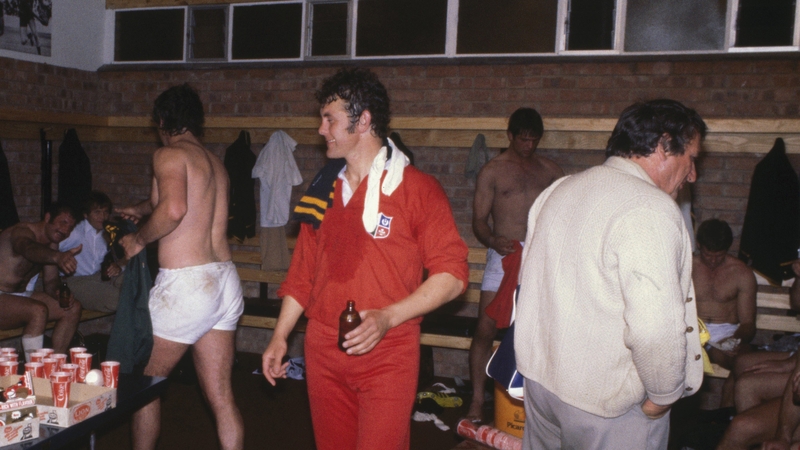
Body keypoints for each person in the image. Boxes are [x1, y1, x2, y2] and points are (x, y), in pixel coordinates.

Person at [261, 68, 469, 450]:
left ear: (364, 121)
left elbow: (453, 276)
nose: (321, 129)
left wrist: (388, 317)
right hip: (322, 350)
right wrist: (279, 336)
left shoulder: (417, 189)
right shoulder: (322, 189)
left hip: (388, 350)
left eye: (330, 120)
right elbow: (302, 274)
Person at [515, 99, 707, 450]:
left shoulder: (560, 189)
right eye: (691, 158)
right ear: (664, 145)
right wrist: (663, 395)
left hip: (541, 387)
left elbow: (529, 287)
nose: (692, 174)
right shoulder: (650, 208)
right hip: (606, 406)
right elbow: (654, 328)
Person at [117, 83, 244, 450]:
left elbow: (174, 210)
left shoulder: (167, 155)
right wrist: (142, 209)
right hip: (224, 282)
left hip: (188, 286)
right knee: (221, 397)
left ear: (161, 121)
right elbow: (182, 203)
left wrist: (138, 240)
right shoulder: (215, 164)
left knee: (144, 385)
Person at [467, 107, 563, 422]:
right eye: (523, 140)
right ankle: (477, 400)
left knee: (539, 329)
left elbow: (566, 211)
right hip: (504, 253)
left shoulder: (549, 170)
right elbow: (479, 221)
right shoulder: (493, 171)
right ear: (510, 136)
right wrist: (492, 240)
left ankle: (536, 408)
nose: (528, 146)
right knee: (485, 327)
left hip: (538, 256)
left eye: (534, 141)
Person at [0, 202, 82, 359]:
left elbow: (50, 282)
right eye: (62, 222)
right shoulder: (22, 232)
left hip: (18, 296)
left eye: (70, 227)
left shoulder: (52, 243)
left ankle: (55, 367)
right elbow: (28, 249)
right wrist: (57, 257)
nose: (65, 230)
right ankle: (35, 374)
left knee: (72, 308)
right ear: (48, 217)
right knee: (38, 310)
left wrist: (58, 293)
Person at [694, 218, 757, 370]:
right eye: (708, 255)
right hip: (692, 330)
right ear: (699, 246)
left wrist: (734, 341)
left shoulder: (742, 273)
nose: (714, 261)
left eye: (720, 255)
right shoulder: (686, 267)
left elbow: (748, 324)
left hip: (725, 335)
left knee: (744, 364)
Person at [58, 191, 125, 313]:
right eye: (97, 212)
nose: (102, 217)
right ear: (86, 214)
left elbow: (125, 257)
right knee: (118, 299)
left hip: (97, 277)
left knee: (134, 281)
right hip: (75, 281)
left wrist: (118, 266)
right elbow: (52, 247)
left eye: (105, 212)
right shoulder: (76, 232)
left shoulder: (107, 233)